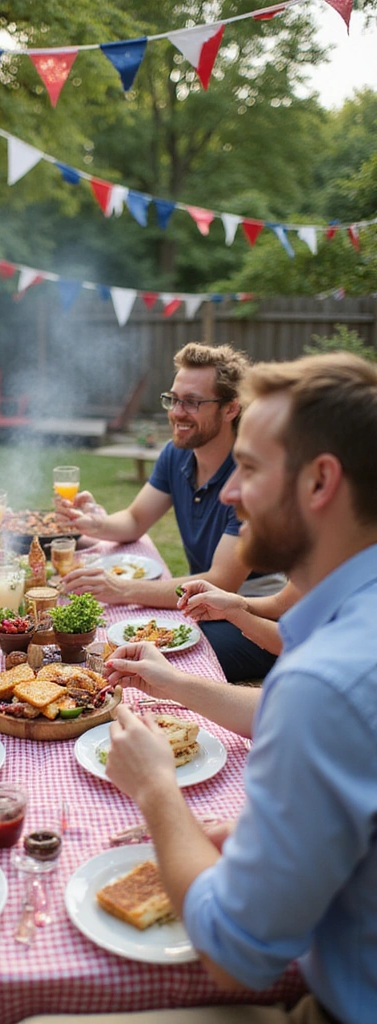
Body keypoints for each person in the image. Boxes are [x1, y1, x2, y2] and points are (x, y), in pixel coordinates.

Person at [103, 352, 377, 1023]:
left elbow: (235, 957)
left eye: (250, 470)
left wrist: (157, 789)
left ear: (320, 482)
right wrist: (174, 683)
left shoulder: (324, 683)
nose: (228, 492)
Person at [58, 342, 281, 683]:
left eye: (192, 402)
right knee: (120, 640)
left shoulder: (248, 476)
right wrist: (94, 523)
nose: (176, 412)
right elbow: (134, 520)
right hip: (201, 605)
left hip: (255, 618)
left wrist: (121, 589)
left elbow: (222, 580)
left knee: (141, 655)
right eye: (173, 399)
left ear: (230, 408)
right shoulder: (176, 454)